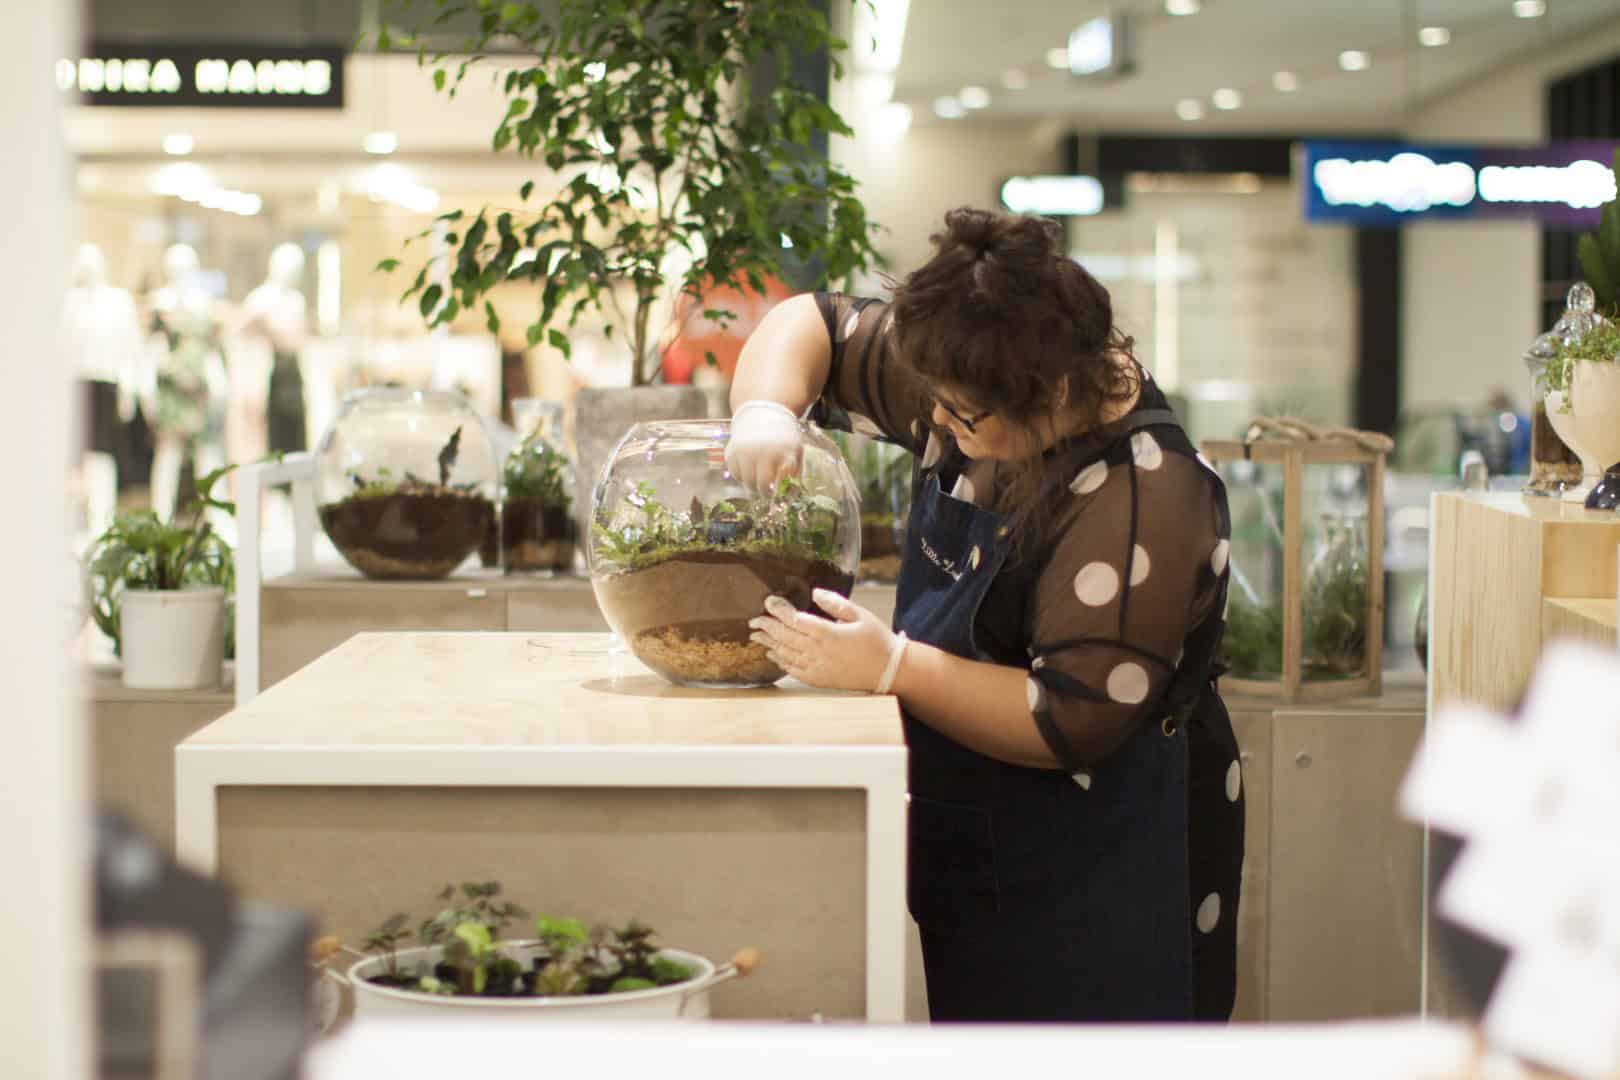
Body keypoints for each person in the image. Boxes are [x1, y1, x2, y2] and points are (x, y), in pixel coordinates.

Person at [727, 208, 1244, 1022]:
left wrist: (892, 667)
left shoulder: (1145, 495)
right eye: (936, 401)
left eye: (963, 416)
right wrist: (764, 409)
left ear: (1060, 395)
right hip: (984, 830)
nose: (939, 424)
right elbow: (810, 325)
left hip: (1106, 859)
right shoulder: (979, 361)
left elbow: (1071, 717)